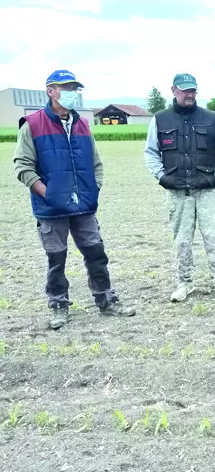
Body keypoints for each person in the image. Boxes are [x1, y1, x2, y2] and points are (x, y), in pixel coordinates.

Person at [12, 70, 136, 329]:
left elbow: (96, 164)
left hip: (84, 207)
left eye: (75, 88)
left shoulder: (82, 125)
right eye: (66, 88)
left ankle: (106, 300)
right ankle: (58, 305)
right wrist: (50, 194)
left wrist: (93, 189)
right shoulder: (32, 124)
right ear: (51, 91)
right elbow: (23, 167)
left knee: (96, 253)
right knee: (56, 258)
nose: (72, 93)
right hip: (51, 209)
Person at [143, 73, 215, 302]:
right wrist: (162, 177)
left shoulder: (211, 117)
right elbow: (150, 153)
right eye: (185, 90)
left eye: (193, 90)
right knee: (182, 241)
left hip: (208, 192)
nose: (190, 94)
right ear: (174, 90)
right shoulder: (159, 119)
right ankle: (184, 283)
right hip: (178, 194)